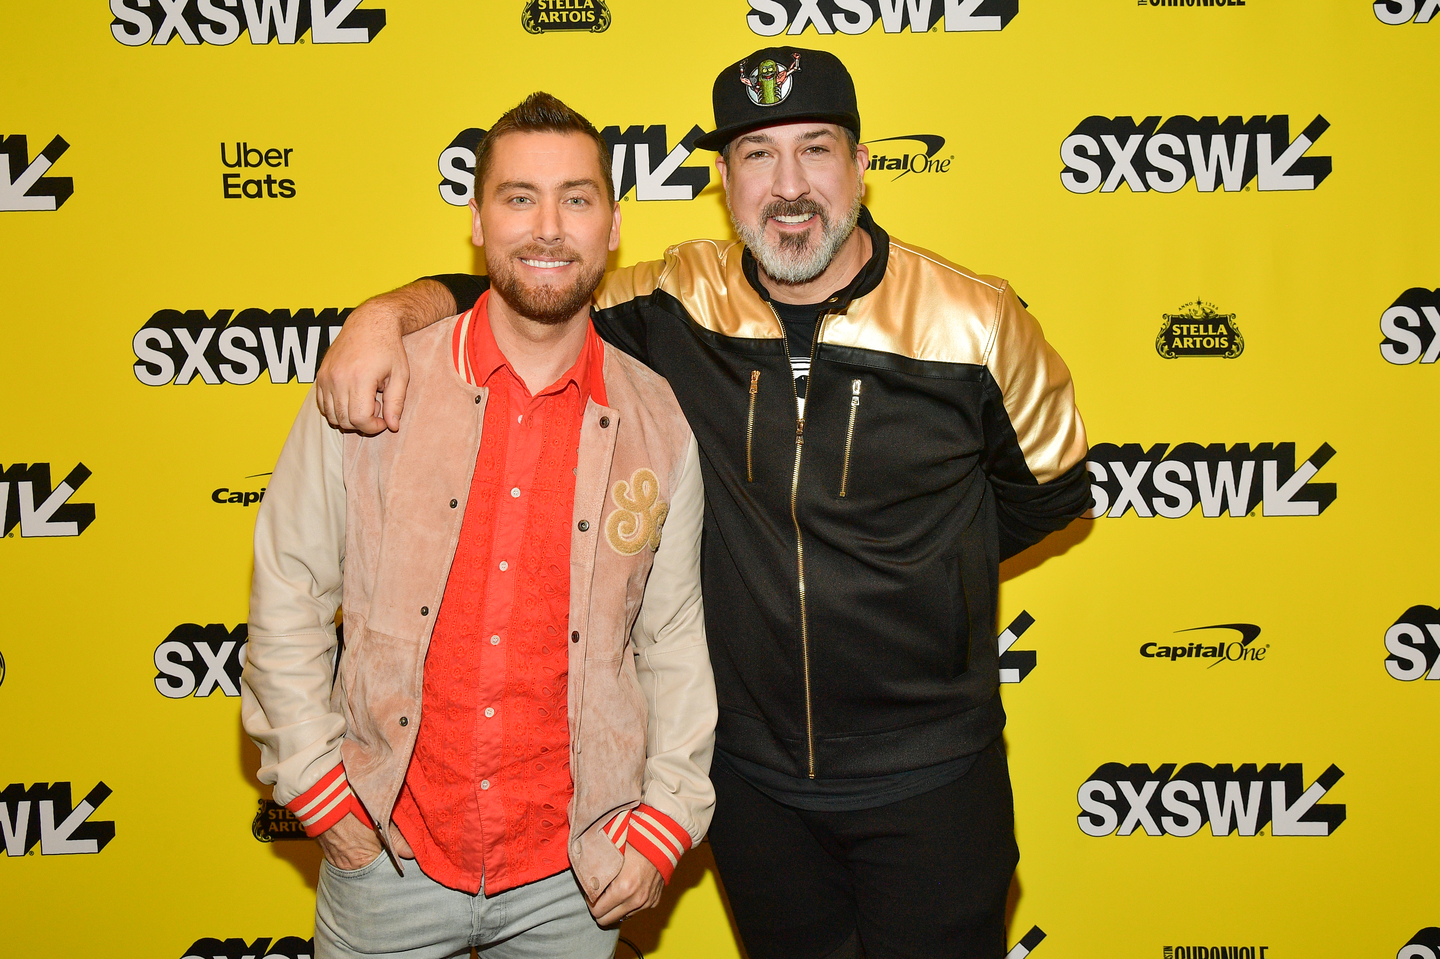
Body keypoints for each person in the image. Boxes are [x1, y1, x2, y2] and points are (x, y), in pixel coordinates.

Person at [315, 48, 1089, 959]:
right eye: (759, 155)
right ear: (725, 181)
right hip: (753, 786)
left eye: (816, 150)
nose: (790, 185)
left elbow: (1046, 497)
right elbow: (529, 290)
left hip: (931, 776)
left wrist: (921, 577)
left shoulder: (978, 321)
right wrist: (381, 315)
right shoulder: (675, 298)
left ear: (863, 164)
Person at [240, 92, 716, 959]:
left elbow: (674, 637)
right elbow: (291, 584)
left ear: (613, 226)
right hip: (387, 852)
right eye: (518, 197)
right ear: (477, 220)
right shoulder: (376, 383)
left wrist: (668, 816)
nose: (547, 227)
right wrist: (312, 783)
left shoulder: (656, 418)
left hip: (573, 875)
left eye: (576, 198)